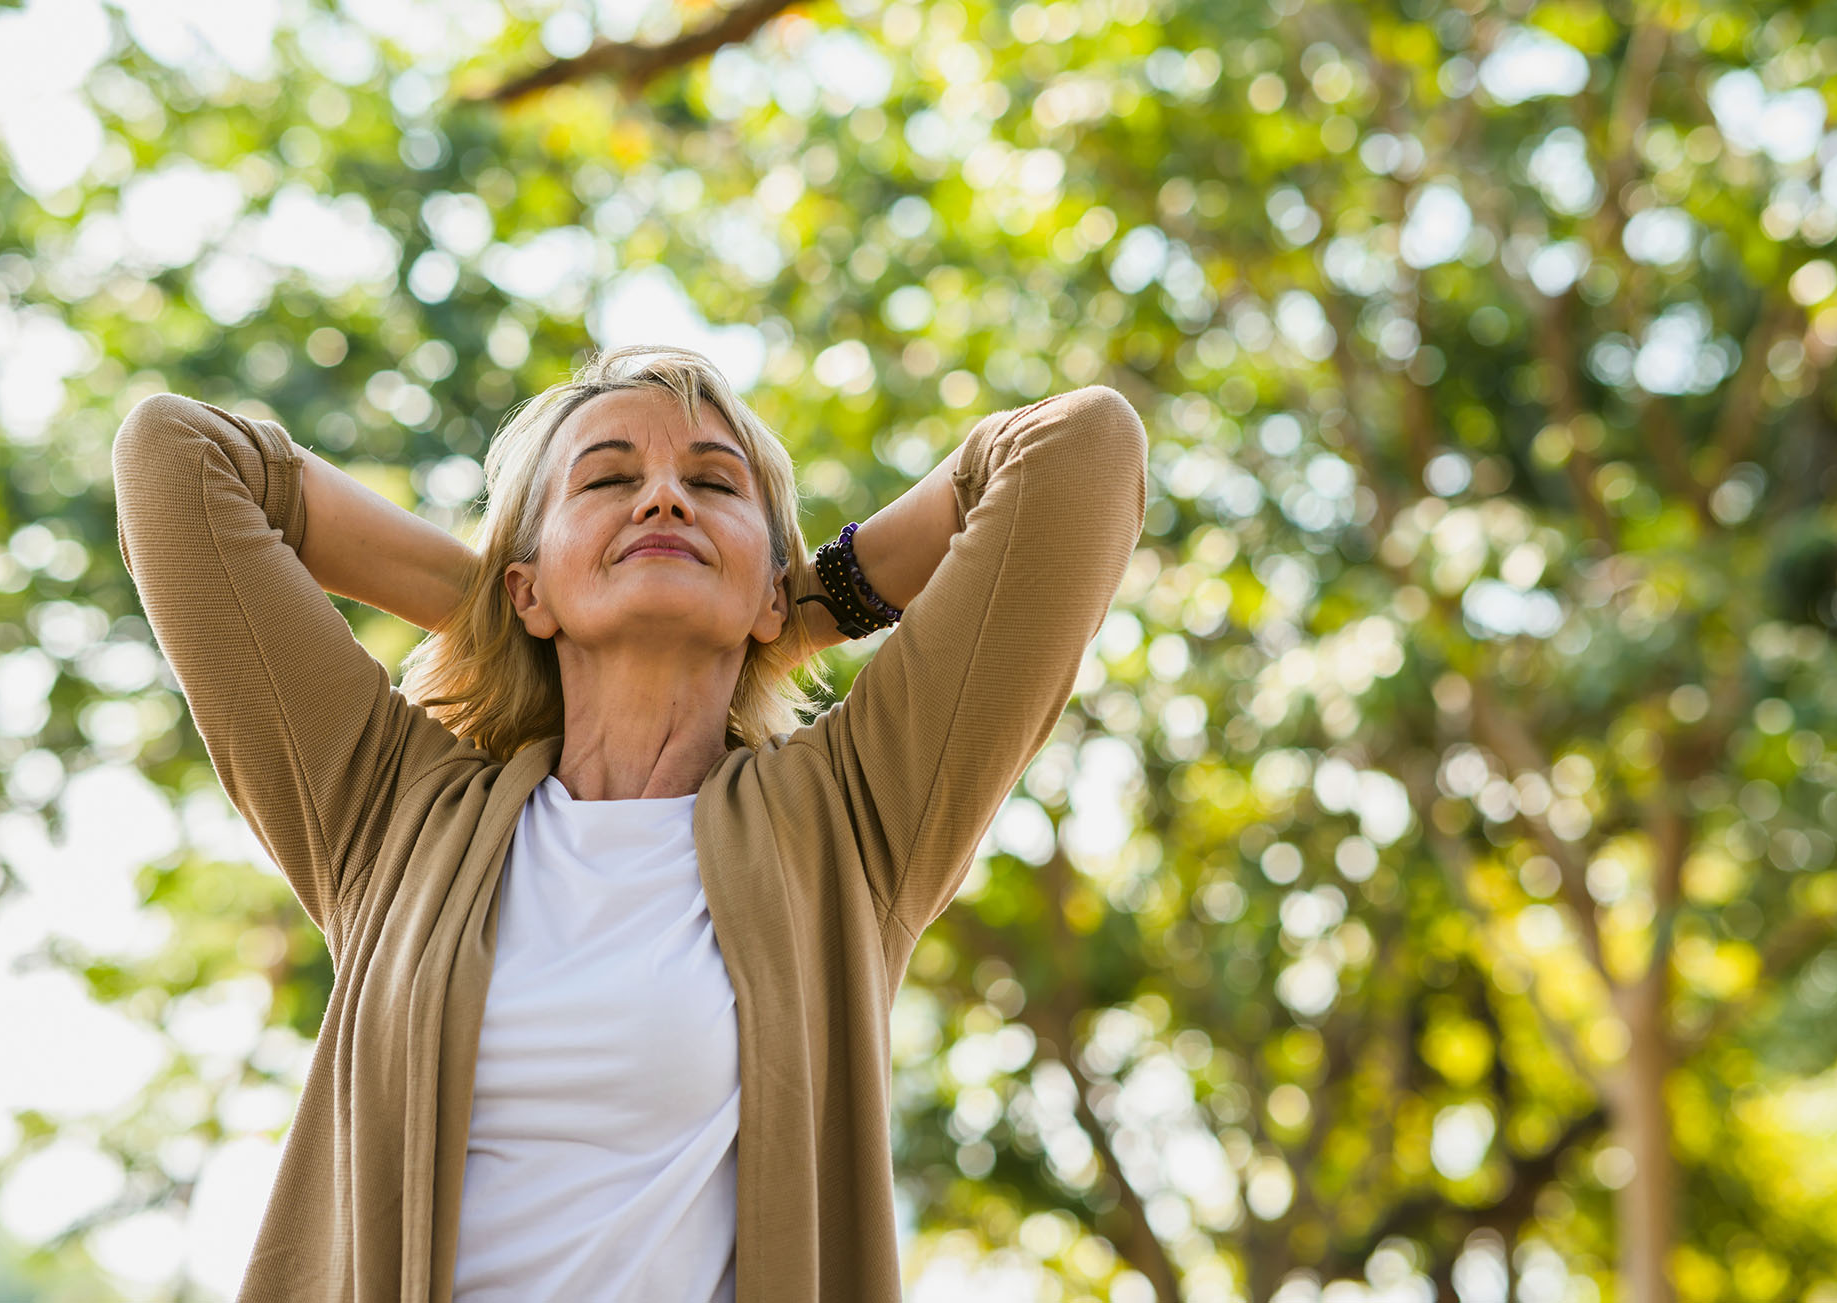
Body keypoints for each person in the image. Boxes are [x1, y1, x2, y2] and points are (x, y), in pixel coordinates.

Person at [109, 343, 1148, 1301]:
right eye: (607, 480)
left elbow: (1078, 452)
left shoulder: (850, 817)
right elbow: (178, 458)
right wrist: (499, 608)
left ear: (770, 592)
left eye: (712, 484)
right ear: (527, 587)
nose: (662, 495)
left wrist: (801, 603)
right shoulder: (392, 811)